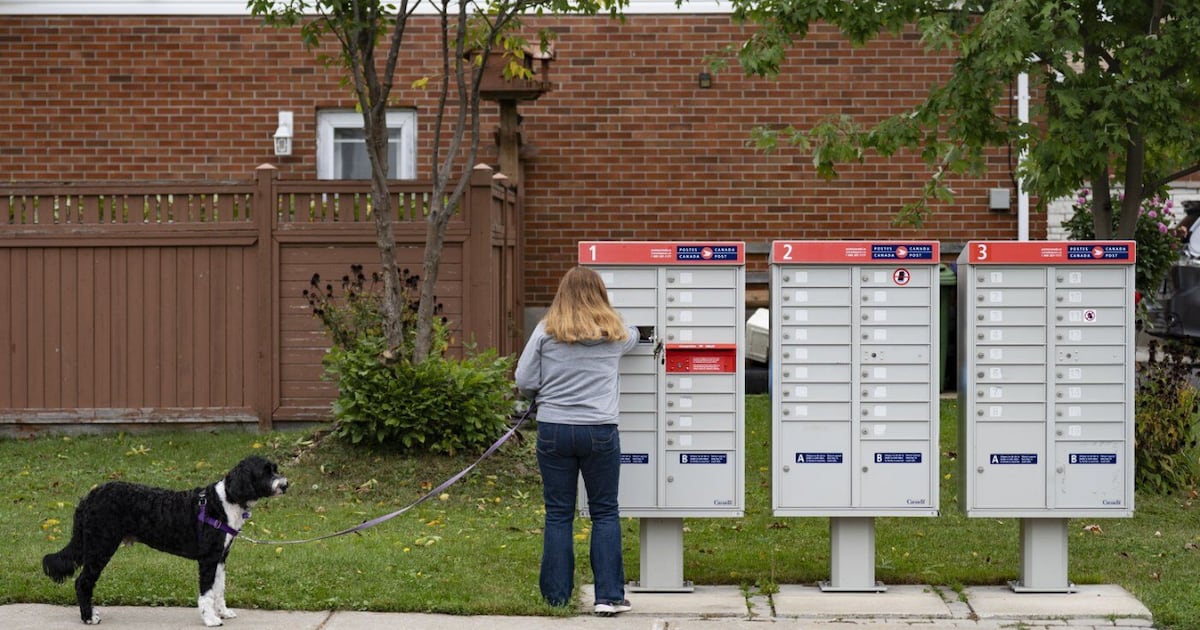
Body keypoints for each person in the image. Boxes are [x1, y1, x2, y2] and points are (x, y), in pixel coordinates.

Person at [514, 266, 639, 616]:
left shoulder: (545, 330)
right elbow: (636, 334)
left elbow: (524, 379)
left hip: (554, 430)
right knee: (604, 512)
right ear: (601, 295)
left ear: (562, 294)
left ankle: (556, 598)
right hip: (599, 430)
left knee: (558, 514)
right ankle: (609, 597)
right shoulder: (615, 334)